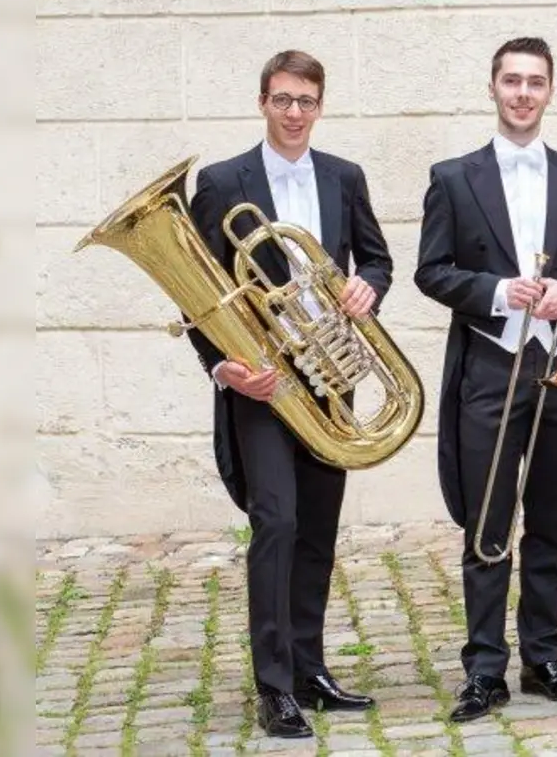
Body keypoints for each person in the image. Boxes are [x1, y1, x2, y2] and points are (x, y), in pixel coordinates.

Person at [414, 37, 557, 723]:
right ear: (493, 88)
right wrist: (501, 290)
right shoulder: (453, 177)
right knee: (487, 524)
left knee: (551, 521)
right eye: (512, 81)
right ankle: (483, 669)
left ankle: (544, 657)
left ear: (551, 91)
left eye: (535, 82)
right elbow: (432, 271)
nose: (523, 93)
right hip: (490, 366)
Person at [185, 49, 389, 738]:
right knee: (276, 522)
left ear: (320, 105)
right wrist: (224, 368)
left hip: (330, 382)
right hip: (262, 384)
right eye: (282, 99)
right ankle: (273, 687)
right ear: (262, 102)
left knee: (318, 529)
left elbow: (378, 258)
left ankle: (310, 667)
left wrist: (370, 288)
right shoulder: (220, 183)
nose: (294, 112)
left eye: (306, 101)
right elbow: (197, 296)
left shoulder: (345, 177)